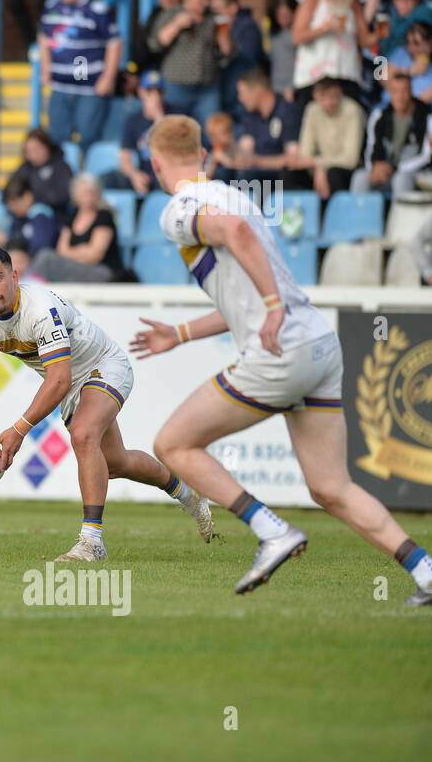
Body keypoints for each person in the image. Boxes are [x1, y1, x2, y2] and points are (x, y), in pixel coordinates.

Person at [135, 113, 432, 605]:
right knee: (331, 487)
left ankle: (272, 531)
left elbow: (235, 235)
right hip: (318, 344)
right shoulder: (236, 195)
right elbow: (244, 281)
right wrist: (181, 333)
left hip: (280, 351)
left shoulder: (179, 208)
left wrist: (272, 307)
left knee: (173, 444)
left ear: (155, 162)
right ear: (204, 155)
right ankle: (426, 570)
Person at [0, 244, 211, 560]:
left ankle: (91, 541)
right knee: (115, 463)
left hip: (104, 364)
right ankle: (189, 494)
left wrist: (19, 429)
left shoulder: (40, 310)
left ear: (14, 277)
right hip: (71, 383)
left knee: (84, 435)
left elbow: (59, 379)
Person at [38, 0, 120, 151]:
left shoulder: (97, 10)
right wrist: (45, 68)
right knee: (57, 139)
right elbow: (43, 38)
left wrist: (108, 78)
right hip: (60, 86)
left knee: (87, 138)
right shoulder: (51, 7)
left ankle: (83, 170)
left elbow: (115, 42)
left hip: (89, 88)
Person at [148, 0, 232, 127]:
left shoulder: (213, 18)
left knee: (210, 132)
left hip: (207, 88)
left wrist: (224, 37)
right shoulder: (172, 13)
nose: (205, 2)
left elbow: (227, 55)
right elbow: (155, 44)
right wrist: (177, 25)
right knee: (176, 132)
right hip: (176, 86)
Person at [292, 0, 373, 108]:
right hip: (314, 77)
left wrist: (380, 34)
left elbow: (364, 40)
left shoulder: (353, 4)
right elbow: (297, 36)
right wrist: (324, 28)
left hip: (346, 74)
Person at [30, 172, 123, 282]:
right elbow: (61, 250)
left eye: (90, 192)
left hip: (101, 271)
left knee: (46, 258)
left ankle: (28, 288)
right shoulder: (72, 216)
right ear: (76, 195)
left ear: (97, 193)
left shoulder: (104, 216)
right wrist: (83, 250)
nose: (87, 197)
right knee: (45, 256)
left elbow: (95, 255)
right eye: (83, 193)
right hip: (76, 268)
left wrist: (71, 253)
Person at [352, 72, 431, 196]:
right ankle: (358, 209)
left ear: (411, 92)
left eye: (404, 91)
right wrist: (375, 167)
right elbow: (370, 150)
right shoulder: (379, 116)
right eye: (395, 91)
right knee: (360, 177)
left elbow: (426, 157)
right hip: (385, 172)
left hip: (415, 173)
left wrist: (394, 168)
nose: (400, 96)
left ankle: (401, 210)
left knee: (401, 179)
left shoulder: (427, 117)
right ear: (389, 93)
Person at [290, 77, 365, 200]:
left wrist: (320, 164)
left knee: (333, 174)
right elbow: (305, 154)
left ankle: (338, 210)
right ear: (316, 96)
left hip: (347, 170)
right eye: (324, 97)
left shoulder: (353, 111)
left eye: (334, 96)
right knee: (289, 173)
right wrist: (318, 168)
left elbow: (351, 160)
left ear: (340, 93)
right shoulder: (312, 110)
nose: (330, 102)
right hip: (319, 168)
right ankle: (295, 210)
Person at [234, 68, 307, 190]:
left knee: (249, 178)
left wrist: (257, 162)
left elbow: (293, 159)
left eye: (242, 93)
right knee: (230, 173)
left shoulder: (288, 112)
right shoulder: (252, 116)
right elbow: (245, 149)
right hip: (257, 174)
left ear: (258, 90)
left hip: (282, 177)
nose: (240, 99)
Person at [105, 69, 166, 195]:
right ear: (141, 92)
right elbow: (125, 157)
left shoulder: (176, 115)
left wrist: (159, 117)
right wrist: (134, 175)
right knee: (106, 180)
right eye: (149, 91)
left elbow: (175, 152)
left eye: (158, 91)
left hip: (167, 173)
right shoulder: (133, 120)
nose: (155, 96)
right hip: (144, 174)